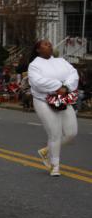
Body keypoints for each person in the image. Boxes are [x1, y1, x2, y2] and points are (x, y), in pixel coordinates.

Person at [28, 39, 79, 177]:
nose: (49, 44)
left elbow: (73, 73)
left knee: (71, 133)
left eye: (50, 43)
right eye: (45, 44)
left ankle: (46, 150)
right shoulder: (34, 65)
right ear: (38, 49)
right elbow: (37, 82)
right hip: (43, 101)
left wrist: (66, 87)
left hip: (62, 99)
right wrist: (58, 86)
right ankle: (54, 165)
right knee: (55, 134)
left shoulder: (60, 61)